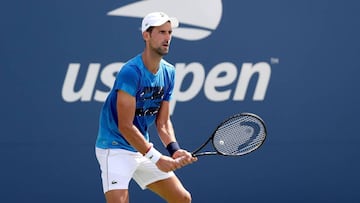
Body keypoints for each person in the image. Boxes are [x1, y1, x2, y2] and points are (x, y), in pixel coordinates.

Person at [95, 12, 197, 203]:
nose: (167, 38)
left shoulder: (169, 72)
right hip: (114, 147)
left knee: (182, 198)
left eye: (169, 32)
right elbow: (124, 126)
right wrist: (157, 158)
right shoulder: (131, 72)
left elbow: (163, 122)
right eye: (161, 32)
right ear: (146, 35)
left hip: (141, 148)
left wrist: (174, 150)